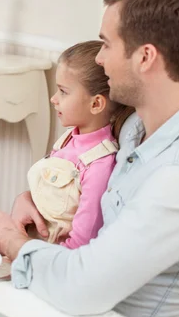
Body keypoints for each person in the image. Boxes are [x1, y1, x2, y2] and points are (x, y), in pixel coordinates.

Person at [0, 0, 179, 317]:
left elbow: (80, 286)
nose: (98, 59)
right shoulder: (135, 127)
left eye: (106, 44)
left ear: (145, 57)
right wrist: (35, 199)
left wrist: (7, 238)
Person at [26, 40, 132, 248]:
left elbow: (82, 242)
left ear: (95, 104)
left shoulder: (99, 165)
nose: (53, 99)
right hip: (31, 242)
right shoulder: (68, 139)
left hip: (52, 258)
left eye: (63, 91)